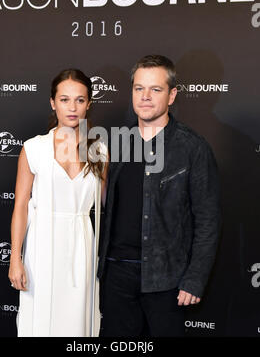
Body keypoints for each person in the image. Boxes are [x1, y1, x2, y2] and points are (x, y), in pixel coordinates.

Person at [98, 55, 220, 337]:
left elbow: (208, 220)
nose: (145, 97)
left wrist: (195, 278)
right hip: (116, 275)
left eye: (155, 89)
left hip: (166, 279)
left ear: (172, 95)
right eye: (139, 88)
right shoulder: (116, 143)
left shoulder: (192, 148)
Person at [8, 69, 107, 337]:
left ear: (89, 104)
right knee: (41, 319)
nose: (72, 107)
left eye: (79, 100)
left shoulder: (100, 151)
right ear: (53, 103)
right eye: (64, 100)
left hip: (82, 248)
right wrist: (15, 258)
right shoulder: (33, 148)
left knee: (77, 319)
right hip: (41, 247)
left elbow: (105, 207)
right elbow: (20, 206)